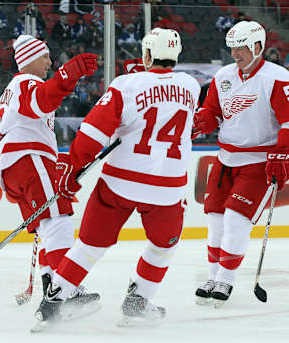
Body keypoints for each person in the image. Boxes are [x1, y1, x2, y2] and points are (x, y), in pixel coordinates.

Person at [38, 28, 201, 327]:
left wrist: (73, 167)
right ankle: (137, 302)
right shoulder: (191, 86)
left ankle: (54, 301)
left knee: (89, 245)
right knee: (163, 247)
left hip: (120, 183)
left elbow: (92, 131)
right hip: (167, 188)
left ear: (147, 54)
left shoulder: (126, 85)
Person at [0, 34, 100, 331]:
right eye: (45, 57)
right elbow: (41, 101)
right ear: (28, 60)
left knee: (49, 228)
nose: (50, 63)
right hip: (28, 161)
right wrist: (69, 73)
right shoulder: (27, 83)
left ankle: (53, 296)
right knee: (60, 220)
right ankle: (68, 293)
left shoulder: (11, 91)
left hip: (14, 168)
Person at [192, 21, 289, 306]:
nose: (235, 54)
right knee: (215, 220)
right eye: (232, 48)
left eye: (241, 48)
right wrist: (200, 123)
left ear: (257, 46)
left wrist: (282, 153)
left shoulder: (277, 77)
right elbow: (213, 112)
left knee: (235, 219)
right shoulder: (223, 76)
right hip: (225, 159)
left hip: (258, 162)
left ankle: (226, 282)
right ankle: (212, 276)